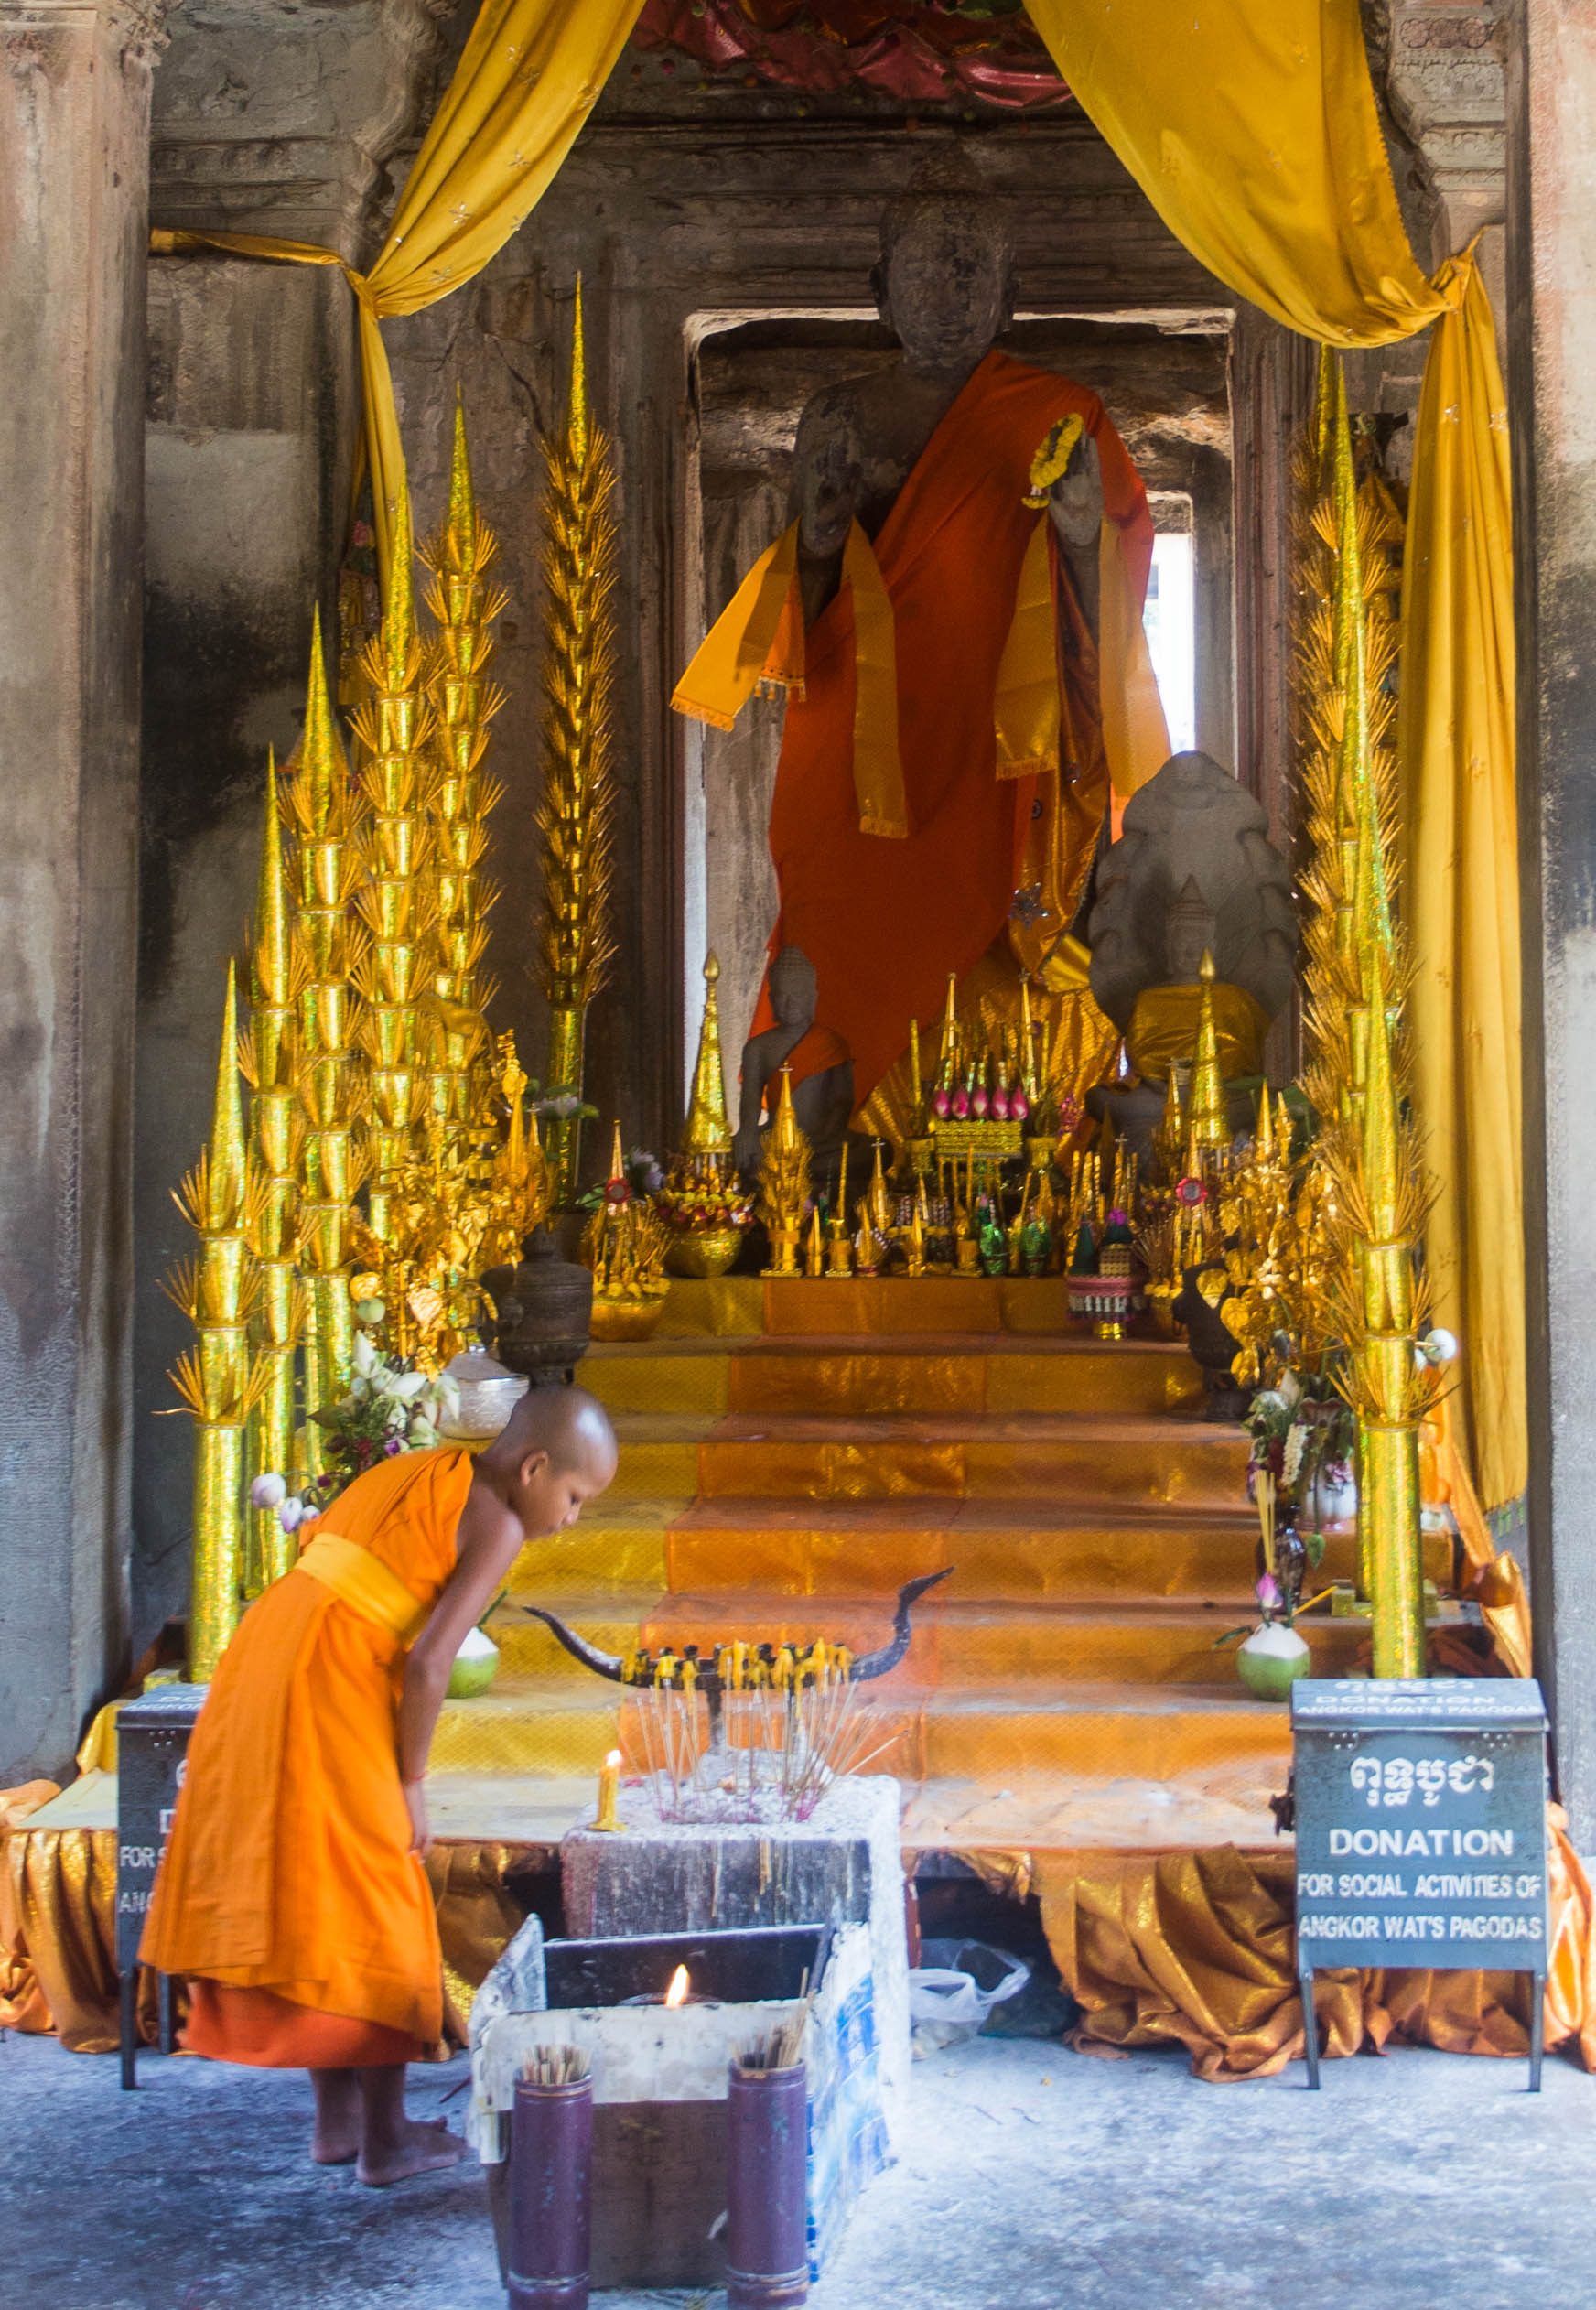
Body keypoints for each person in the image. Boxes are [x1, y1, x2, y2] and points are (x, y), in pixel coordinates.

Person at [140, 1385, 619, 2186]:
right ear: (533, 1469)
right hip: (330, 1682)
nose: (569, 1519)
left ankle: (337, 2125)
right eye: (574, 1499)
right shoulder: (499, 1523)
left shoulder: (421, 1469)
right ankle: (387, 2138)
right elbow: (433, 1660)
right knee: (378, 1888)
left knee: (312, 1885)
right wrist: (411, 1782)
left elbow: (339, 1558)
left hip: (267, 1656)